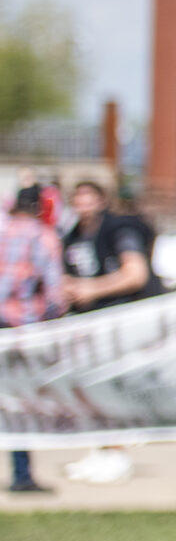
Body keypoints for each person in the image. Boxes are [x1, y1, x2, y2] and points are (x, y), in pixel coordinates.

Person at [3, 184, 68, 494]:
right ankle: (21, 474)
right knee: (18, 402)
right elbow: (55, 294)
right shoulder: (43, 236)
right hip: (23, 329)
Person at [59, 179, 155, 312]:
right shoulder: (71, 237)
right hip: (90, 314)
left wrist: (93, 289)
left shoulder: (120, 230)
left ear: (101, 200)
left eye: (87, 195)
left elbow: (136, 275)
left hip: (125, 310)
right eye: (78, 196)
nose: (82, 202)